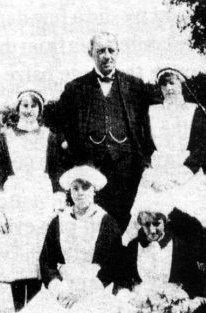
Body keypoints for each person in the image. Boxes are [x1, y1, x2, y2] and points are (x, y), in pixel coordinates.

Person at [56, 31, 155, 233]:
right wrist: (66, 144)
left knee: (128, 225)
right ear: (90, 53)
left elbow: (153, 121)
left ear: (118, 52)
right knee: (96, 226)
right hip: (91, 169)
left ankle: (128, 264)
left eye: (111, 50)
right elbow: (57, 124)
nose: (107, 55)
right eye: (101, 51)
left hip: (128, 169)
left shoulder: (134, 86)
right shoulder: (75, 88)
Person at [6, 165, 122, 313]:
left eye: (85, 187)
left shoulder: (106, 222)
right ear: (70, 192)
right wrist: (60, 290)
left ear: (94, 190)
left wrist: (83, 292)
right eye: (75, 188)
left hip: (94, 289)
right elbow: (46, 262)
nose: (80, 192)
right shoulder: (59, 221)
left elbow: (113, 265)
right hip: (64, 289)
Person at [123, 67, 206, 263]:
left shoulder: (194, 111)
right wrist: (152, 177)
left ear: (182, 85)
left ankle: (190, 272)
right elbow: (143, 147)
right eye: (164, 84)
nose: (169, 88)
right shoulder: (152, 112)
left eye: (173, 83)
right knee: (147, 214)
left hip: (186, 175)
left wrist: (177, 178)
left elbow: (201, 149)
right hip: (157, 173)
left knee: (189, 215)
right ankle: (146, 268)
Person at [0, 90, 65, 312]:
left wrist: (57, 204)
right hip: (15, 202)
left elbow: (55, 171)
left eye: (33, 106)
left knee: (36, 259)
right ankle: (18, 312)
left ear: (40, 110)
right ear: (18, 109)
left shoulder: (49, 136)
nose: (29, 110)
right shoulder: (6, 137)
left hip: (40, 202)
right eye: (25, 105)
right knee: (18, 261)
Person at [123, 200, 206, 298]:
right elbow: (125, 282)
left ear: (165, 222)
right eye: (147, 225)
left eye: (156, 224)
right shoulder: (133, 247)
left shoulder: (180, 247)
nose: (152, 230)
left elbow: (194, 284)